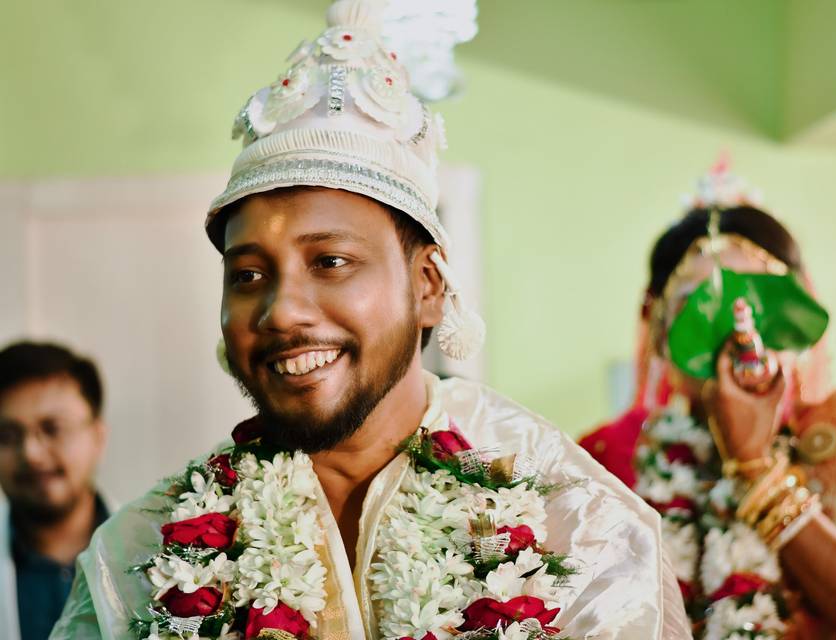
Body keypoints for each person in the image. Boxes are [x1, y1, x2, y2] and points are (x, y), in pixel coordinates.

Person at [52, 2, 690, 638]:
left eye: (329, 262)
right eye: (247, 274)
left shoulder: (583, 530)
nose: (282, 311)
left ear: (428, 286)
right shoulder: (137, 560)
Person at [579, 162, 836, 639]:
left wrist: (755, 469)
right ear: (656, 325)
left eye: (754, 300)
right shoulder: (604, 457)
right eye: (696, 304)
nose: (735, 331)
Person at [0, 341, 110, 640]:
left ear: (97, 436)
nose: (31, 453)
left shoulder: (154, 547)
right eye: (7, 436)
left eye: (52, 428)